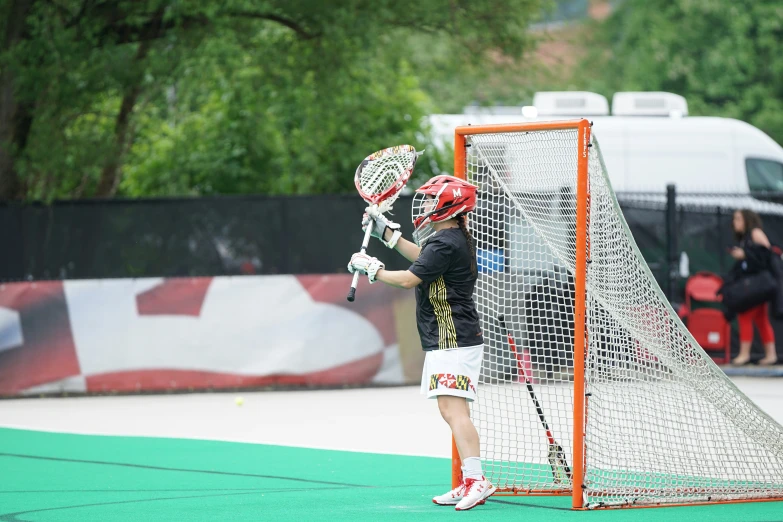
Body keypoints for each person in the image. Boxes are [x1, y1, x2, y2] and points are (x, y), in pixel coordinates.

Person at [347, 174, 496, 511]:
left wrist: (374, 269)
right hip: (450, 337)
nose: (426, 205)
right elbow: (423, 259)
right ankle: (469, 479)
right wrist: (386, 232)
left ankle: (477, 480)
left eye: (431, 200)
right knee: (452, 411)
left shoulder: (446, 242)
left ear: (448, 204)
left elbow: (411, 277)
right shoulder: (448, 239)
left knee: (454, 411)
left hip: (453, 338)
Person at [729, 209, 778, 366]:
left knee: (745, 316)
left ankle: (744, 355)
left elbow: (768, 255)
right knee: (761, 319)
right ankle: (771, 355)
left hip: (758, 285)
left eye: (738, 218)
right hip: (753, 284)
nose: (735, 222)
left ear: (747, 219)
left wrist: (745, 254)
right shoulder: (744, 238)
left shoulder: (755, 233)